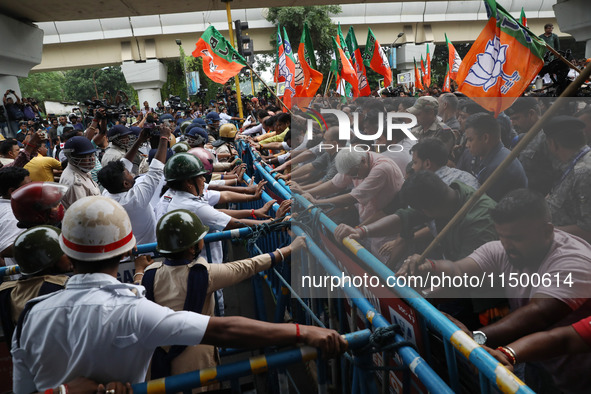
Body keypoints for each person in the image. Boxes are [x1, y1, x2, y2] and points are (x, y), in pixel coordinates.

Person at [11, 196, 347, 392]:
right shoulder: (130, 310)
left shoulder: (30, 314)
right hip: (193, 364)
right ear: (128, 247)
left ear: (67, 254)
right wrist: (306, 331)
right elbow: (224, 328)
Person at [397, 189, 591, 394]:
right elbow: (459, 270)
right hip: (536, 361)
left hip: (579, 375)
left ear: (546, 231)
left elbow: (540, 314)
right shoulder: (502, 249)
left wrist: (475, 338)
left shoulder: (574, 261)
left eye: (516, 238)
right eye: (502, 237)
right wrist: (430, 266)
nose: (508, 246)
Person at [142, 209, 301, 385]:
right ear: (191, 247)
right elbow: (248, 266)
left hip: (155, 365)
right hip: (197, 364)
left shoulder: (149, 275)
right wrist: (288, 249)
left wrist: (137, 271)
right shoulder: (203, 274)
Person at [98, 126, 169, 245]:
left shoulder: (108, 192)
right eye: (128, 173)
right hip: (145, 252)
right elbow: (156, 170)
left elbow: (123, 164)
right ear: (125, 184)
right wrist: (164, 138)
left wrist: (140, 140)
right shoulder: (135, 199)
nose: (131, 173)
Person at [0, 226, 70, 342]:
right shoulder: (64, 286)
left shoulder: (6, 291)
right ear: (49, 260)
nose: (69, 256)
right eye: (64, 252)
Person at [544, 115, 591, 243]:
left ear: (553, 144)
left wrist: (543, 232)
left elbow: (588, 229)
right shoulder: (573, 163)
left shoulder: (584, 173)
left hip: (574, 249)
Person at [464, 113, 527, 201]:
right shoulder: (493, 157)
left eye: (470, 140)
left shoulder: (498, 168)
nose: (467, 145)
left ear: (485, 138)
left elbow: (485, 206)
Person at [410, 137, 479, 189]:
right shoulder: (467, 176)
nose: (412, 167)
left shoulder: (426, 189)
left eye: (415, 162)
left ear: (427, 164)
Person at [59, 136, 100, 209]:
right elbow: (82, 213)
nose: (92, 159)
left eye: (92, 155)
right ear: (72, 158)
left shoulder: (82, 170)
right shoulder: (74, 183)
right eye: (86, 156)